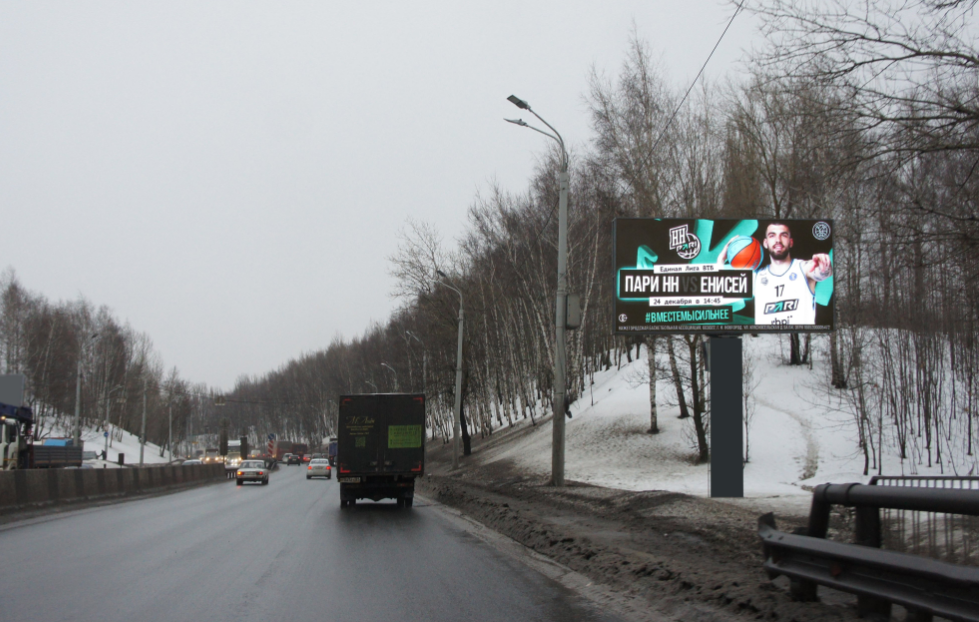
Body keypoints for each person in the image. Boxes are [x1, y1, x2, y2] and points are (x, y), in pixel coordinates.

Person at [752, 222, 831, 326]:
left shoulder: (803, 268)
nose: (778, 240)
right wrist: (726, 257)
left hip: (799, 333)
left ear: (791, 242)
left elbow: (822, 273)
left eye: (783, 235)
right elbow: (730, 291)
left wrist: (824, 267)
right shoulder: (757, 276)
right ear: (765, 243)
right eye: (772, 235)